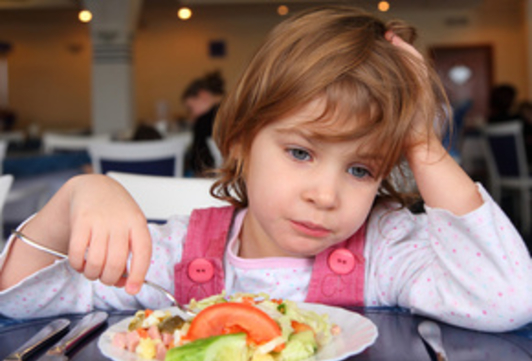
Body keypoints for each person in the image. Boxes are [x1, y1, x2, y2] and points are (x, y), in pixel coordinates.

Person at [0, 6, 530, 333]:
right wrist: (77, 196)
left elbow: (507, 299)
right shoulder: (171, 258)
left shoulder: (384, 254)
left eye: (360, 170)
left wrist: (421, 142)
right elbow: (22, 300)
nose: (325, 195)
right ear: (240, 142)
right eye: (300, 153)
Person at [182, 71, 225, 176]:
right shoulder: (234, 110)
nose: (191, 117)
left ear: (203, 95)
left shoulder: (204, 122)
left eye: (190, 109)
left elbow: (199, 164)